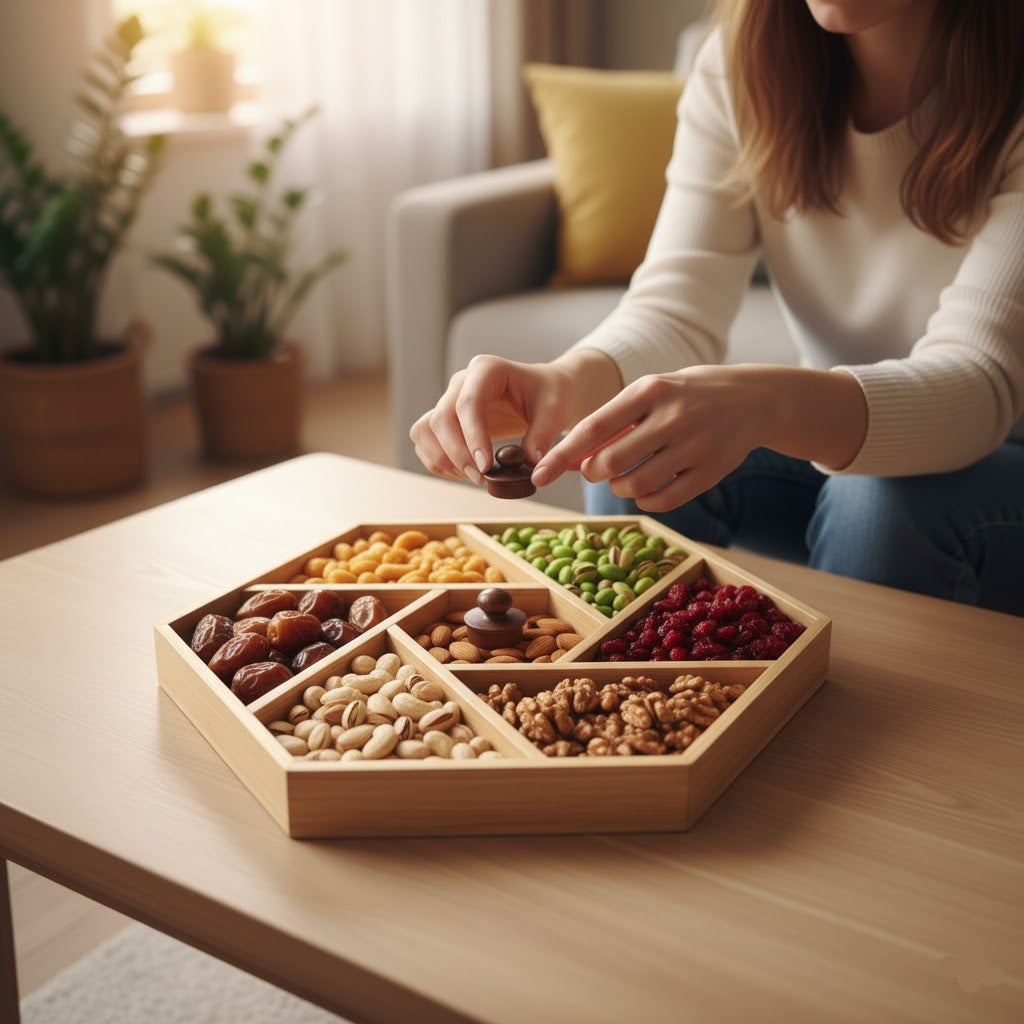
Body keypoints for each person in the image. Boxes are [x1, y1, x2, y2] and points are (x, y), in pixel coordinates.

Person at [410, 0, 1024, 616]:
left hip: (1004, 453)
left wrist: (771, 403)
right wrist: (564, 380)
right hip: (841, 448)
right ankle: (658, 699)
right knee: (638, 438)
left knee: (878, 506)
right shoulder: (740, 61)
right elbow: (677, 306)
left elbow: (983, 383)